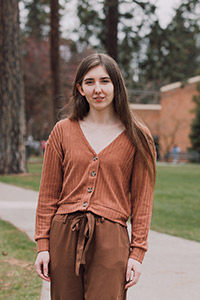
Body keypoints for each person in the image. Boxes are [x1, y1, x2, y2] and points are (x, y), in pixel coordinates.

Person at [34, 53, 156, 300]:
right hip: (64, 235)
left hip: (111, 239)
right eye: (89, 82)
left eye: (105, 81)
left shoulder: (138, 136)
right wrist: (43, 246)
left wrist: (137, 253)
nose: (97, 89)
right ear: (80, 88)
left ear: (116, 86)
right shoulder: (62, 131)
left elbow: (142, 201)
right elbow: (48, 194)